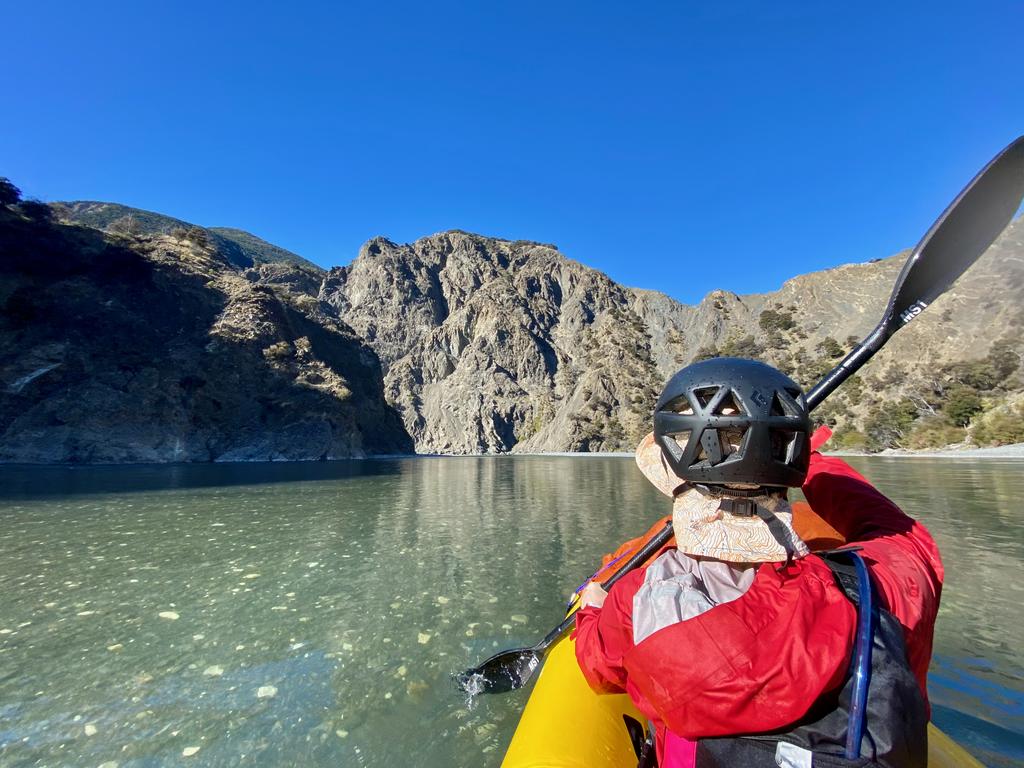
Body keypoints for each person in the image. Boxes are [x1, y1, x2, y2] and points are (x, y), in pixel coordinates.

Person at [572, 358, 943, 768]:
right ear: (791, 462)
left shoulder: (639, 599)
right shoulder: (890, 579)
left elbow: (598, 667)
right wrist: (801, 453)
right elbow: (896, 529)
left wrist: (590, 609)